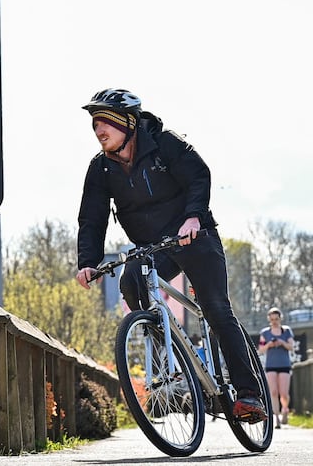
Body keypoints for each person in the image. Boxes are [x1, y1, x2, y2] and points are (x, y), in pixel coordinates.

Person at [74, 88, 268, 422]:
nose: (99, 131)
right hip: (152, 246)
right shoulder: (100, 168)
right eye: (95, 125)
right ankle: (170, 363)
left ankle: (249, 396)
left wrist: (193, 216)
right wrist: (87, 261)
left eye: (106, 122)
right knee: (131, 282)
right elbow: (92, 217)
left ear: (129, 123)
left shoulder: (165, 144)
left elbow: (198, 176)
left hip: (193, 236)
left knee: (217, 309)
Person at [259, 307, 295, 428]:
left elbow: (291, 346)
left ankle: (285, 409)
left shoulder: (286, 331)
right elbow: (261, 349)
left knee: (284, 393)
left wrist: (282, 343)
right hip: (271, 365)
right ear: (269, 319)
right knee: (273, 392)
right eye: (272, 319)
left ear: (280, 318)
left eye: (276, 319)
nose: (274, 321)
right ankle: (277, 418)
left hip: (284, 365)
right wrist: (269, 344)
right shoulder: (265, 333)